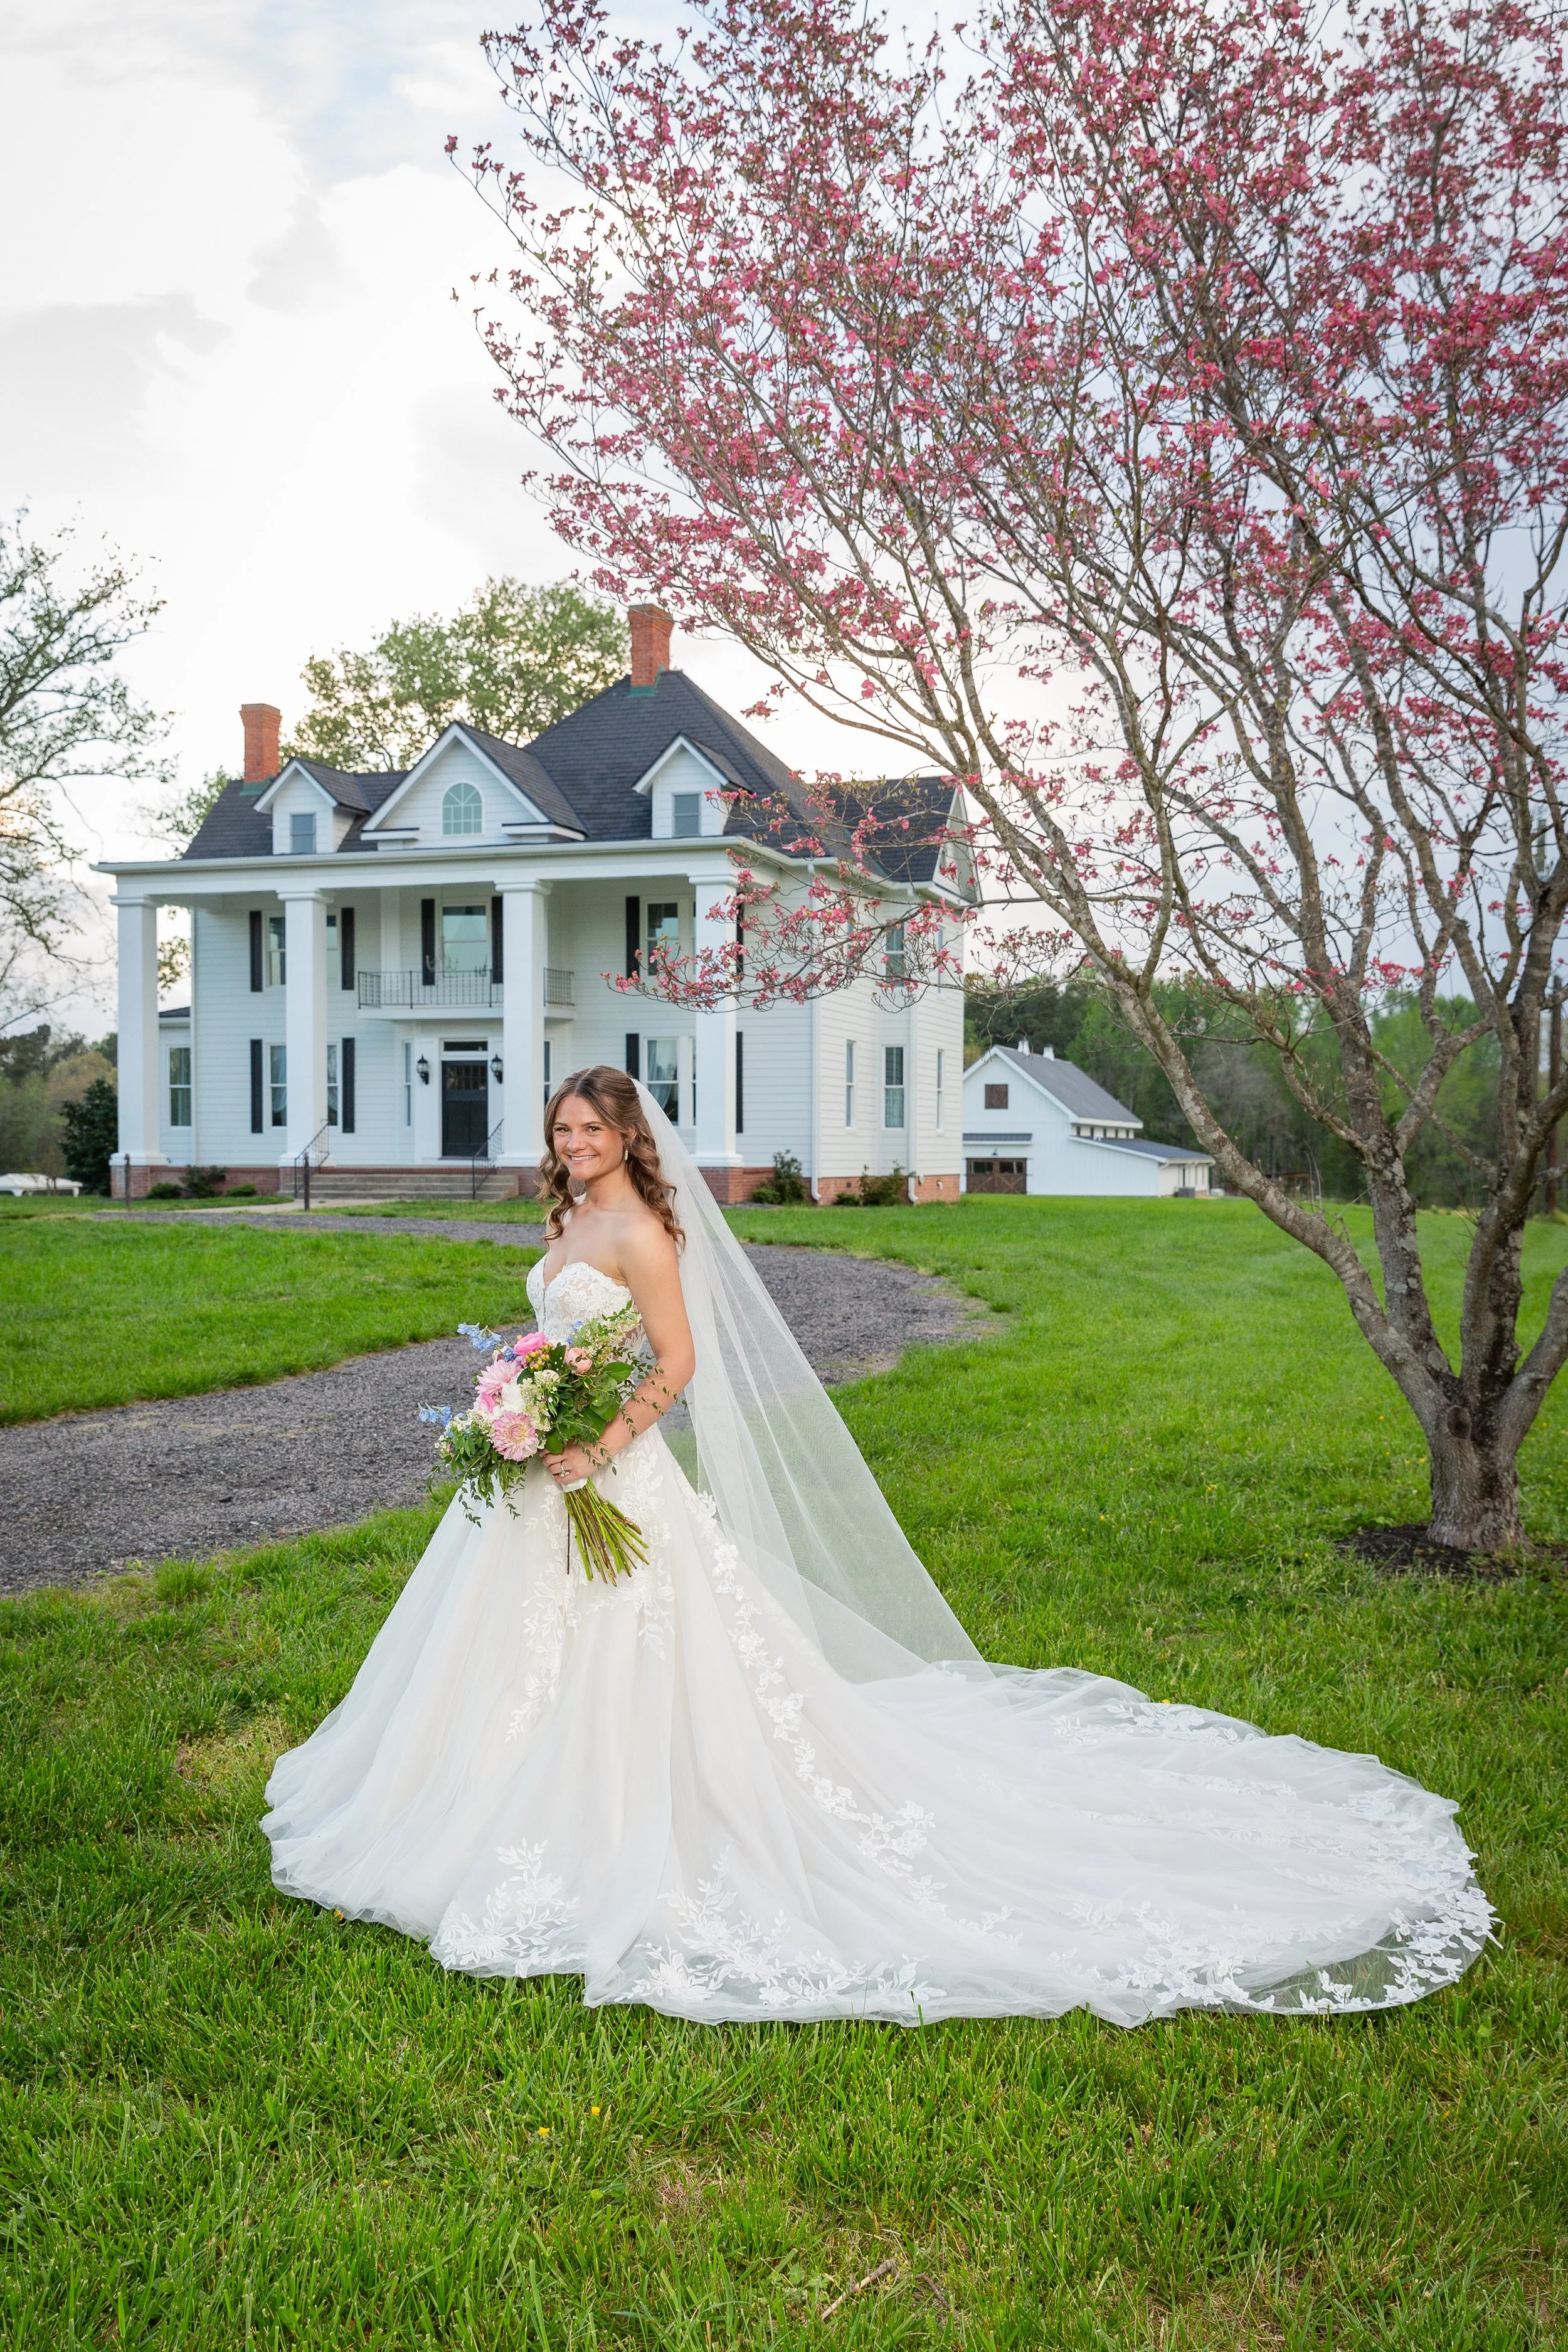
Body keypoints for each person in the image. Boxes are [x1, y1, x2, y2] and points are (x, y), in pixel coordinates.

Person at [263, 1066, 1492, 2025]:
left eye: (593, 1134)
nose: (575, 1149)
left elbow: (676, 1365)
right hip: (548, 1471)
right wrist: (523, 1403)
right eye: (564, 1133)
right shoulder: (570, 1212)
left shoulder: (642, 1228)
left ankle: (647, 1819)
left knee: (650, 1657)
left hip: (613, 1475)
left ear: (633, 1140)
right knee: (504, 1659)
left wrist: (593, 1444)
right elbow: (561, 1341)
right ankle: (479, 1801)